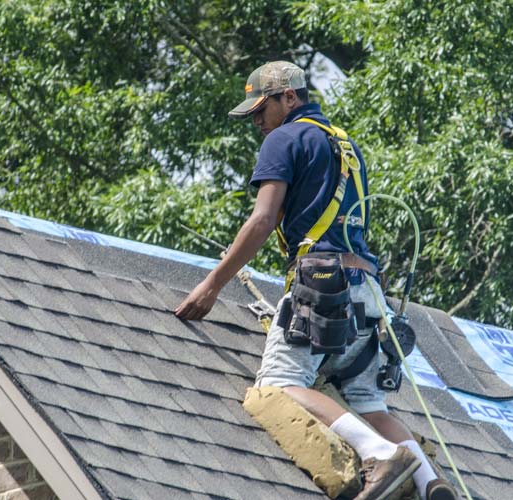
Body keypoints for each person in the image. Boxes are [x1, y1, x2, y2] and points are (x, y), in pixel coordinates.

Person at [175, 61, 456, 500]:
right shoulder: (345, 145)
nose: (257, 123)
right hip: (368, 294)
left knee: (280, 382)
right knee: (367, 402)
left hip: (321, 285)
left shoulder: (284, 138)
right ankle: (430, 482)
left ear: (288, 97)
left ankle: (379, 455)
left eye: (259, 110)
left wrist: (211, 284)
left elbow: (263, 219)